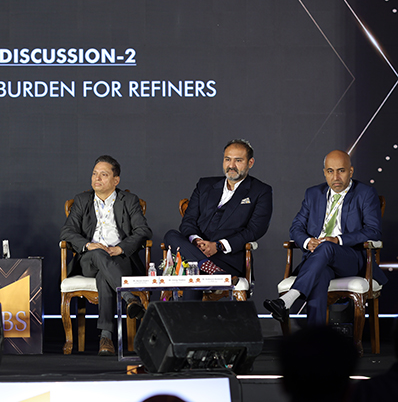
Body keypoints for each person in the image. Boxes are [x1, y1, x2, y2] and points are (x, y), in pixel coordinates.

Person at [264, 150, 387, 326]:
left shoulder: (365, 193)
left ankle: (288, 298)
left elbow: (373, 231)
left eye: (341, 171)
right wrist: (308, 242)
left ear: (351, 171)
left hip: (351, 259)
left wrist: (338, 240)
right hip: (319, 260)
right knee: (320, 276)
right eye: (330, 171)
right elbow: (296, 227)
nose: (335, 177)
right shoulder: (313, 194)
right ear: (324, 173)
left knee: (327, 246)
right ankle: (316, 337)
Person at [60, 155, 152, 356]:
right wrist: (89, 245)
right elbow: (67, 232)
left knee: (105, 276)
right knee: (99, 254)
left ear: (116, 180)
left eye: (103, 174)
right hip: (89, 259)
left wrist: (120, 248)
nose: (97, 178)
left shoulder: (129, 200)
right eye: (94, 174)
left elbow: (143, 231)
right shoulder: (82, 200)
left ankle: (106, 338)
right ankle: (129, 298)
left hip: (119, 259)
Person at [163, 139, 272, 300]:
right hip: (195, 250)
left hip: (227, 258)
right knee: (171, 235)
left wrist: (218, 246)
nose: (231, 165)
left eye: (238, 160)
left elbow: (255, 230)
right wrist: (197, 242)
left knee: (193, 270)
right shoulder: (205, 185)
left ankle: (189, 316)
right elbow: (188, 221)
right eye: (227, 159)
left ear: (250, 163)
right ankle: (211, 269)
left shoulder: (261, 191)